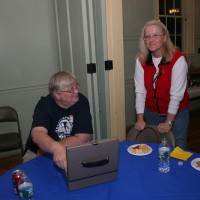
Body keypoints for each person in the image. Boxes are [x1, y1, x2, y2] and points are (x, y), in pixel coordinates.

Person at [134, 20, 190, 149]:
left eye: (155, 35)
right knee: (154, 147)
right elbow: (140, 91)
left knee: (178, 147)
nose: (151, 40)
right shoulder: (141, 60)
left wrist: (168, 122)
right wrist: (140, 118)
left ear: (164, 37)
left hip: (177, 113)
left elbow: (176, 96)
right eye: (147, 36)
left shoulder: (178, 59)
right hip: (151, 112)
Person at [24, 71, 93, 170]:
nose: (77, 91)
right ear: (57, 95)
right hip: (36, 152)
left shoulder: (81, 101)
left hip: (62, 148)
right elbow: (37, 133)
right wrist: (55, 149)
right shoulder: (44, 105)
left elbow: (84, 137)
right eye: (71, 90)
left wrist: (52, 148)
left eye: (76, 86)